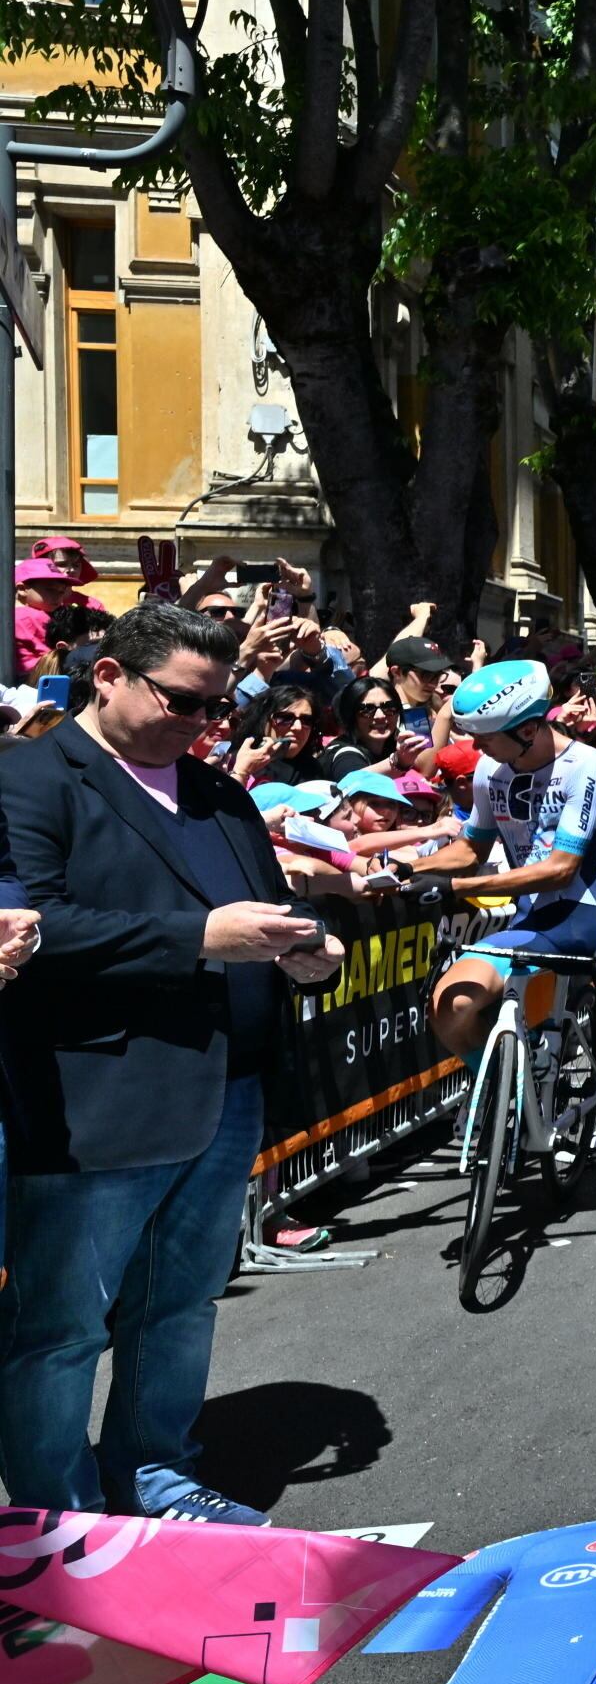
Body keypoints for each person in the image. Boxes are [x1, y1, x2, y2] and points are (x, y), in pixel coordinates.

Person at [0, 601, 327, 1520]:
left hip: (224, 1089)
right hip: (97, 1091)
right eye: (186, 703)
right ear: (109, 676)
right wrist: (198, 937)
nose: (205, 724)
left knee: (179, 1305)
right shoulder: (29, 781)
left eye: (217, 708)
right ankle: (56, 1517)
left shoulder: (220, 792)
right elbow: (38, 927)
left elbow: (261, 908)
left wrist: (306, 948)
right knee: (61, 1327)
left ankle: (154, 1471)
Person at [410, 662, 596, 1154]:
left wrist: (457, 885)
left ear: (527, 730)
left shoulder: (587, 765)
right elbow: (469, 848)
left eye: (485, 738)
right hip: (539, 923)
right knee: (450, 1003)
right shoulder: (489, 770)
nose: (477, 750)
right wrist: (406, 873)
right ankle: (510, 1080)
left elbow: (561, 868)